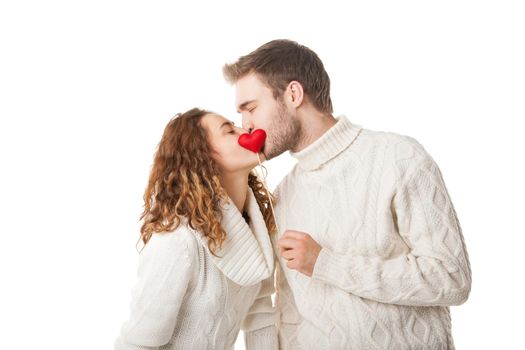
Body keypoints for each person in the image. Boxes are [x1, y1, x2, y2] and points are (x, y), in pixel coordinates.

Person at [223, 39, 472, 349]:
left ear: (293, 94)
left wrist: (326, 264)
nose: (245, 126)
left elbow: (451, 278)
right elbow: (286, 312)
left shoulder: (399, 159)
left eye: (251, 109)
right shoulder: (282, 196)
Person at [114, 108, 279, 349]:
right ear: (203, 156)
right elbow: (139, 343)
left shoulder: (257, 228)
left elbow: (260, 317)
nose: (245, 132)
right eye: (229, 131)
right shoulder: (178, 241)